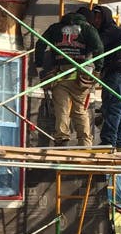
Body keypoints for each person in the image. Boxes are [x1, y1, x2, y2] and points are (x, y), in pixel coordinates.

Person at [34, 8, 103, 146]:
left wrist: (40, 65)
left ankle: (62, 139)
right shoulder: (87, 29)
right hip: (81, 76)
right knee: (79, 111)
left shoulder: (55, 28)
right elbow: (99, 48)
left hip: (61, 75)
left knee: (62, 109)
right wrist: (98, 69)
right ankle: (85, 142)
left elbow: (40, 43)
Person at [90, 5, 121, 151]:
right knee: (115, 108)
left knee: (112, 108)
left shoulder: (113, 31)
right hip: (112, 74)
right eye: (95, 17)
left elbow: (97, 44)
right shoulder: (105, 31)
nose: (96, 20)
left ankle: (108, 141)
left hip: (117, 74)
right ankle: (118, 142)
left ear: (105, 17)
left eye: (99, 17)